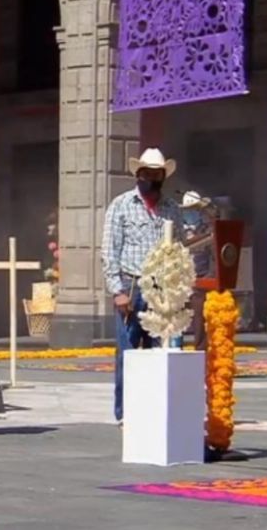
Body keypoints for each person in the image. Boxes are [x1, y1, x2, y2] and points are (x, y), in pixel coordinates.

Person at [101, 148, 183, 426]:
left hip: (161, 287)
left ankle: (152, 406)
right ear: (138, 175)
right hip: (131, 283)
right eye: (147, 173)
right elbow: (110, 249)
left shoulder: (172, 208)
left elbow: (179, 247)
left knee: (157, 350)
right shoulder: (121, 205)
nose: (152, 178)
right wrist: (117, 290)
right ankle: (125, 411)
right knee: (128, 351)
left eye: (157, 174)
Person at [180, 190, 219, 351]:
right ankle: (175, 349)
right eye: (188, 209)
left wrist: (210, 277)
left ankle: (200, 349)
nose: (191, 213)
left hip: (201, 278)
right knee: (175, 318)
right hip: (180, 279)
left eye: (195, 209)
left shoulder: (208, 230)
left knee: (199, 318)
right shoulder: (178, 229)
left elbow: (214, 256)